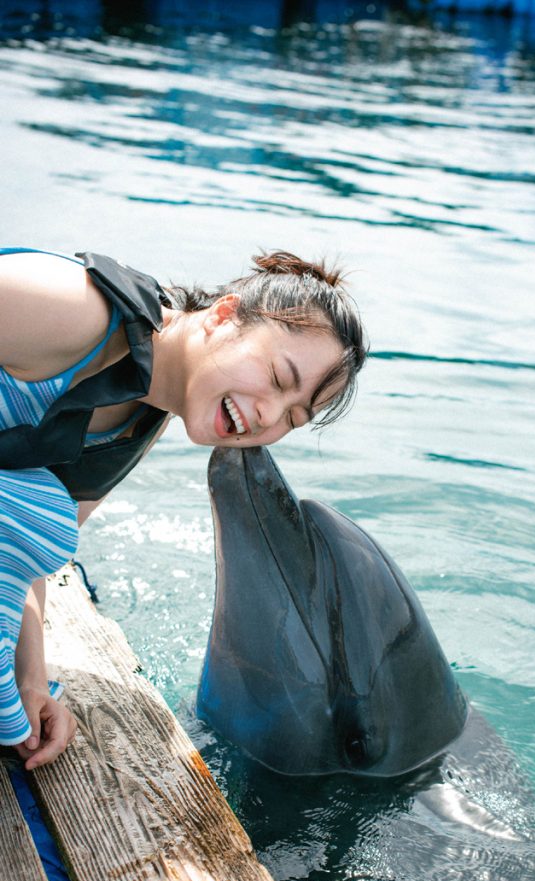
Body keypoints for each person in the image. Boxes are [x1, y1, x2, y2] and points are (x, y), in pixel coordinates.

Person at [0, 246, 366, 770]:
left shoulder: (140, 422)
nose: (268, 417)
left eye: (294, 416)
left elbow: (23, 558)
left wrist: (31, 681)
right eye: (278, 378)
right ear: (222, 317)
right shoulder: (73, 309)